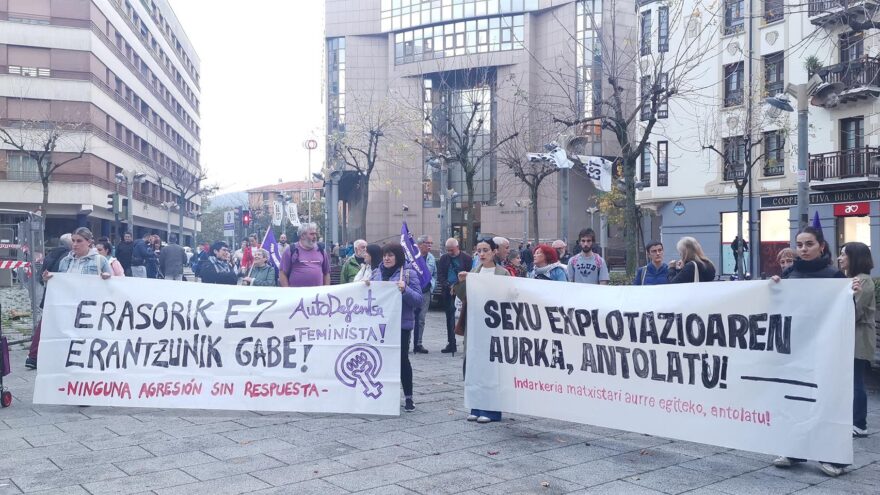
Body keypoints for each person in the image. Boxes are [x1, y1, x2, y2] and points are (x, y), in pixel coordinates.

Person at [770, 227, 857, 477]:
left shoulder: (834, 276)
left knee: (828, 400)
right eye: (800, 244)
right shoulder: (789, 273)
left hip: (825, 348)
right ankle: (794, 450)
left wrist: (851, 294)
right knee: (794, 398)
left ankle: (834, 457)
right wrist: (773, 287)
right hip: (795, 346)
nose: (804, 249)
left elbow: (845, 311)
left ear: (821, 246)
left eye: (809, 244)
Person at [454, 238, 510, 423]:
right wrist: (461, 282)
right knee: (474, 364)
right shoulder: (473, 272)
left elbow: (508, 297)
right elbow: (463, 297)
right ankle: (476, 406)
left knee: (492, 367)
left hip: (494, 325)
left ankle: (492, 410)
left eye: (486, 250)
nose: (482, 253)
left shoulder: (503, 273)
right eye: (479, 250)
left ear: (494, 252)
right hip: (475, 324)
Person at [367, 242, 422, 412]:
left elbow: (418, 300)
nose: (387, 258)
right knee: (380, 360)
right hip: (380, 325)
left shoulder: (407, 274)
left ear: (398, 256)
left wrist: (405, 290)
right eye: (384, 255)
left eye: (390, 255)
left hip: (400, 324)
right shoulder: (376, 273)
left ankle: (408, 397)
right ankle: (383, 395)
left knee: (402, 360)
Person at [838, 242, 875, 439]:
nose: (840, 258)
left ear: (855, 258)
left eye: (844, 254)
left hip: (857, 338)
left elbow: (854, 310)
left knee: (856, 380)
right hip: (850, 337)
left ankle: (860, 423)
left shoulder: (863, 281)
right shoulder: (850, 279)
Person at [26, 233, 73, 370]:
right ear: (70, 244)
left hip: (50, 297)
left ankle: (33, 356)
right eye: (74, 241)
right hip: (62, 298)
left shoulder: (51, 255)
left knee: (44, 325)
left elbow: (42, 277)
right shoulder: (66, 258)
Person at [437, 238, 472, 354]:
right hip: (448, 291)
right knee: (450, 318)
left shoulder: (466, 258)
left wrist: (459, 286)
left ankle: (466, 341)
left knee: (464, 317)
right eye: (447, 250)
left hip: (462, 291)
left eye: (451, 250)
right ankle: (451, 342)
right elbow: (440, 275)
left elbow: (470, 274)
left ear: (457, 247)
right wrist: (448, 285)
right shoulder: (444, 259)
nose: (449, 252)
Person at [279, 223, 330, 287]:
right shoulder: (291, 250)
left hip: (317, 295)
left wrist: (326, 290)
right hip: (297, 295)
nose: (315, 237)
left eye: (315, 234)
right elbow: (282, 273)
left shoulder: (321, 250)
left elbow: (326, 273)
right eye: (311, 234)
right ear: (302, 236)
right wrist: (287, 291)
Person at [412, 235, 437, 354]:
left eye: (431, 244)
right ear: (420, 245)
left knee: (421, 319)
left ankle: (418, 343)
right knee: (410, 318)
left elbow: (434, 274)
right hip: (413, 291)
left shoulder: (431, 258)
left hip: (425, 292)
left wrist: (432, 286)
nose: (430, 246)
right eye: (428, 243)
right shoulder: (412, 257)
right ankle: (406, 342)